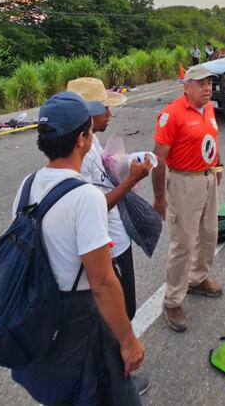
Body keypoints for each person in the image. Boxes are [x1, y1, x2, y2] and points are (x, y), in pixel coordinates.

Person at [10, 92, 145, 405]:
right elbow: (101, 282)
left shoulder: (28, 184)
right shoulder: (86, 197)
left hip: (44, 312)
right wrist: (128, 342)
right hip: (81, 322)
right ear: (83, 138)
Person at [70, 79, 151, 322]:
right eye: (104, 107)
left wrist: (123, 165)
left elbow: (102, 175)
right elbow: (94, 208)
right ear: (89, 112)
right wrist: (131, 180)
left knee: (127, 307)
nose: (110, 113)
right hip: (107, 244)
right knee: (120, 311)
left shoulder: (91, 138)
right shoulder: (78, 154)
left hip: (117, 236)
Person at [152, 64, 223, 333]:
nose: (207, 88)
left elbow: (212, 140)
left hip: (207, 178)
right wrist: (160, 197)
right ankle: (172, 301)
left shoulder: (209, 108)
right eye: (201, 83)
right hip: (183, 182)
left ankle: (197, 279)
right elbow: (158, 158)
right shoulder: (171, 114)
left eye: (210, 83)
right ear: (186, 86)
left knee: (209, 234)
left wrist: (217, 166)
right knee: (183, 243)